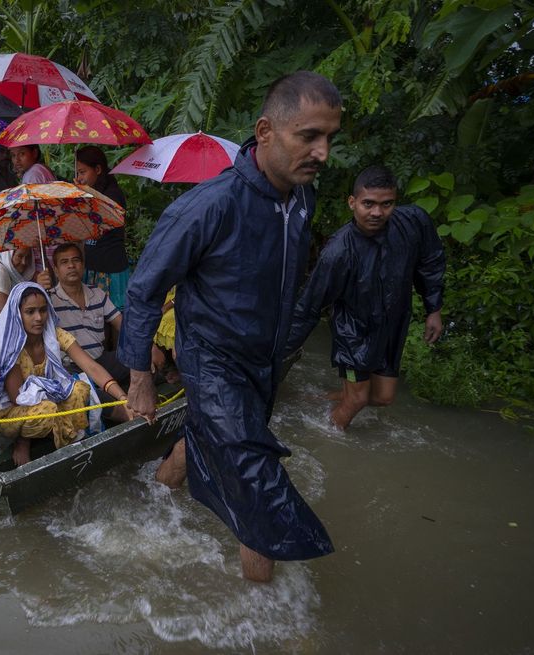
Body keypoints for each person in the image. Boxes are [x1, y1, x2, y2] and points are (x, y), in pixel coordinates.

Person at [118, 71, 342, 583]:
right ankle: (268, 614)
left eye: (329, 138)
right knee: (255, 479)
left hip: (263, 359)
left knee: (209, 438)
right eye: (308, 135)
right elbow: (145, 287)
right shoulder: (208, 207)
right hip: (213, 362)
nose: (322, 152)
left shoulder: (302, 201)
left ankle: (155, 495)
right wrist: (140, 377)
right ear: (265, 131)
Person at [285, 165, 445, 429]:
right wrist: (281, 351)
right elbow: (309, 307)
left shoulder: (413, 221)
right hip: (354, 332)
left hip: (393, 323)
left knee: (382, 398)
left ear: (395, 201)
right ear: (352, 202)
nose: (377, 212)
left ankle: (311, 400)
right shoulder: (337, 253)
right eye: (368, 204)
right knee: (357, 400)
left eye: (386, 204)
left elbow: (431, 261)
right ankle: (331, 442)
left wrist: (434, 308)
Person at [0, 282, 133, 466]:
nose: (39, 317)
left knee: (80, 389)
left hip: (51, 396)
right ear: (17, 314)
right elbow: (18, 397)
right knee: (48, 411)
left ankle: (75, 442)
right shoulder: (10, 346)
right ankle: (23, 441)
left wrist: (123, 398)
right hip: (16, 410)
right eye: (30, 312)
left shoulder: (53, 335)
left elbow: (91, 366)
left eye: (43, 310)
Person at [48, 242, 132, 396]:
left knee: (139, 357)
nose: (71, 266)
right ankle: (119, 401)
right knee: (87, 394)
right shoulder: (48, 300)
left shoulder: (97, 293)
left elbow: (122, 324)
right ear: (56, 271)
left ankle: (133, 400)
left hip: (101, 361)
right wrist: (39, 288)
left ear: (83, 265)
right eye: (64, 262)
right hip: (71, 368)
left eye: (76, 260)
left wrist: (148, 347)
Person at [73, 145, 131, 309]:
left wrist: (83, 196)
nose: (80, 177)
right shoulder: (89, 193)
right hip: (92, 266)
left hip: (110, 269)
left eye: (83, 172)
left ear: (98, 169)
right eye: (77, 173)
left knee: (113, 314)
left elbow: (98, 223)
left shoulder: (113, 194)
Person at [0, 247, 52, 351]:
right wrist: (38, 288)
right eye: (19, 256)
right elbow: (7, 316)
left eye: (28, 258)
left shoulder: (19, 278)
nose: (24, 262)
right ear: (8, 255)